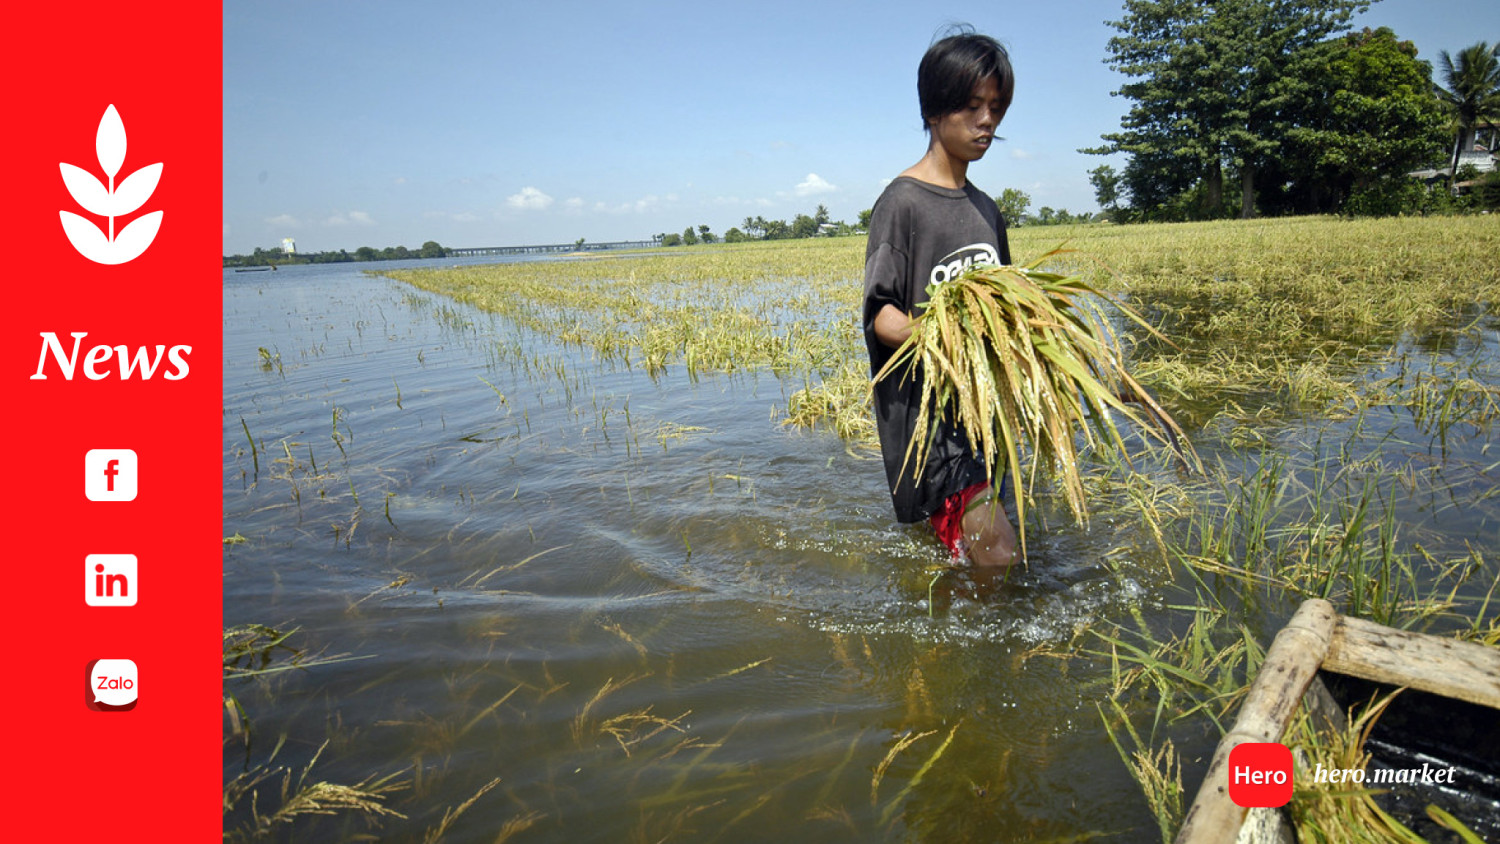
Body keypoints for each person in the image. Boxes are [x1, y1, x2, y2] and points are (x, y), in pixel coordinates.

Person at [863, 30, 1019, 568]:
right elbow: (881, 314)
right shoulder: (902, 203)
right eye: (973, 106)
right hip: (932, 424)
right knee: (997, 554)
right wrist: (945, 330)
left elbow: (1006, 307)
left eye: (995, 107)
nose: (987, 121)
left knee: (974, 560)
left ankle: (955, 644)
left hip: (983, 417)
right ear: (935, 111)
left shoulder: (987, 211)